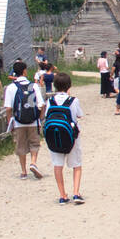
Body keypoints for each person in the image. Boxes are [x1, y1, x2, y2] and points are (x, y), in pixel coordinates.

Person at [43, 71, 84, 204]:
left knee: (57, 165)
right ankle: (76, 193)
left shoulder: (50, 100)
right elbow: (79, 115)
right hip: (71, 137)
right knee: (76, 165)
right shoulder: (73, 100)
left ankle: (62, 195)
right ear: (69, 86)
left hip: (54, 136)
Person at [2, 59, 44, 181]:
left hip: (18, 121)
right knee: (34, 143)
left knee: (21, 145)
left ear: (14, 72)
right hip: (33, 121)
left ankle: (23, 171)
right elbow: (41, 104)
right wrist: (40, 119)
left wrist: (11, 122)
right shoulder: (34, 86)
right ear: (25, 71)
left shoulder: (11, 88)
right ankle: (33, 163)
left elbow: (9, 108)